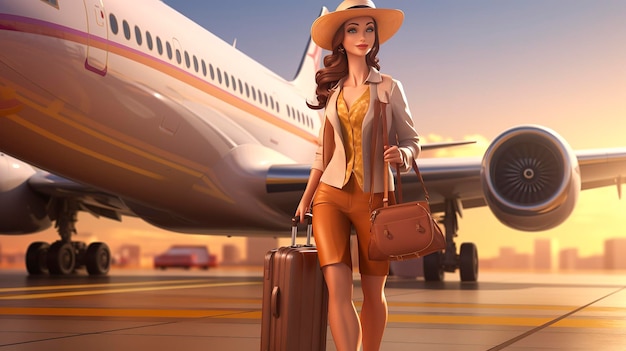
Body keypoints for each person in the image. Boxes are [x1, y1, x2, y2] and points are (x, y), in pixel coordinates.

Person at [294, 1, 421, 350]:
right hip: (330, 196)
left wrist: (403, 155)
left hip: (375, 198)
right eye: (353, 29)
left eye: (368, 28)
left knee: (372, 292)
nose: (362, 36)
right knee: (337, 289)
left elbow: (412, 140)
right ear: (340, 39)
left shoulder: (389, 88)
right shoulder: (332, 95)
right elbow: (323, 154)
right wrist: (306, 198)